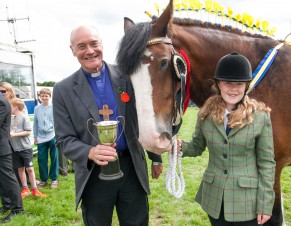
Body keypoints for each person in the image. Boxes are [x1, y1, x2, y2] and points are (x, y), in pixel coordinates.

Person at [52, 25, 163, 226]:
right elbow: (63, 139)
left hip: (131, 168)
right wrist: (90, 152)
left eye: (94, 43)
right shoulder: (62, 90)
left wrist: (155, 157)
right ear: (72, 50)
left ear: (101, 43)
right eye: (82, 46)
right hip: (94, 174)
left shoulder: (128, 75)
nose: (90, 51)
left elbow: (145, 117)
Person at [177, 52, 276, 226]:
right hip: (215, 200)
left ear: (246, 86)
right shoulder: (205, 114)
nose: (233, 89)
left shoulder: (260, 117)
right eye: (228, 83)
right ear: (218, 84)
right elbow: (196, 147)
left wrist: (265, 204)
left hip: (247, 203)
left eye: (239, 84)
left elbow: (267, 163)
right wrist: (178, 147)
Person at [10, 98, 47, 198]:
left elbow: (28, 131)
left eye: (10, 106)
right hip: (15, 149)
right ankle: (25, 188)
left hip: (25, 148)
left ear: (16, 107)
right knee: (20, 169)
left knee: (30, 169)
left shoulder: (24, 118)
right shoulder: (11, 119)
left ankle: (35, 189)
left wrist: (14, 134)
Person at [0, 92, 24, 223]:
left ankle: (17, 209)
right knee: (2, 179)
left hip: (2, 147)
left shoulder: (1, 102)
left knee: (8, 178)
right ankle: (7, 205)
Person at [33, 88, 59, 189]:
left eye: (46, 95)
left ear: (49, 96)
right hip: (41, 137)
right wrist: (35, 136)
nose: (44, 97)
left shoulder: (54, 107)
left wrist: (57, 135)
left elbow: (57, 122)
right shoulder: (36, 108)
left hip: (52, 135)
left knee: (54, 158)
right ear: (39, 97)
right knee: (41, 159)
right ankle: (44, 179)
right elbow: (35, 123)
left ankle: (54, 179)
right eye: (42, 95)